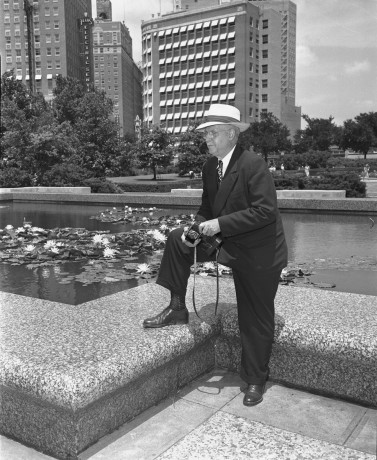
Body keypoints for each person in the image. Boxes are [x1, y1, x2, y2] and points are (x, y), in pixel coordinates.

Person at [143, 103, 288, 407]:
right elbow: (207, 208)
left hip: (258, 252)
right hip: (225, 240)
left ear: (233, 134)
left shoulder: (253, 165)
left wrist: (218, 224)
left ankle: (255, 379)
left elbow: (264, 212)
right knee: (176, 239)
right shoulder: (211, 166)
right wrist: (195, 229)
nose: (207, 138)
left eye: (212, 133)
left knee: (255, 317)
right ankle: (177, 307)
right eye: (206, 133)